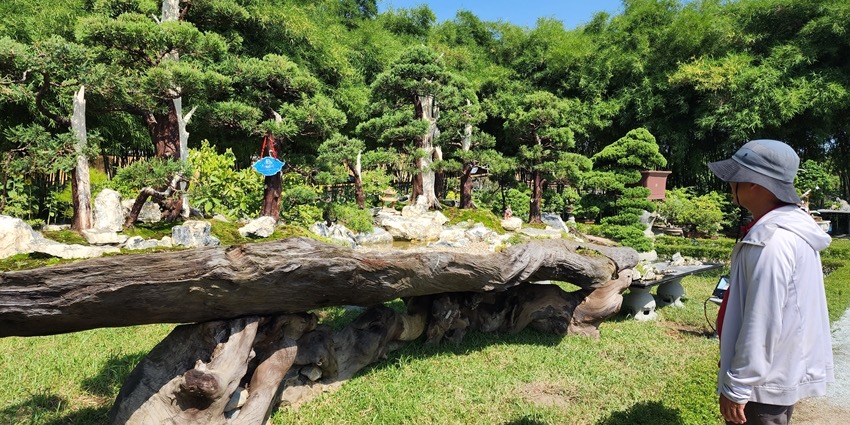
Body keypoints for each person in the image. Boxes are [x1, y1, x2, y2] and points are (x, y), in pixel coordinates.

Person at [708, 139, 834, 424]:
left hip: (761, 387)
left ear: (754, 183)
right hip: (773, 372)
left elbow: (762, 320)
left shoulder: (773, 241)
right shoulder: (788, 228)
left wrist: (738, 385)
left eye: (735, 177)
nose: (730, 185)